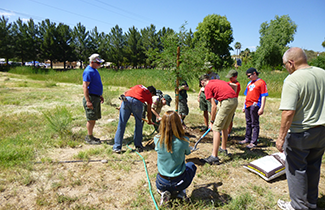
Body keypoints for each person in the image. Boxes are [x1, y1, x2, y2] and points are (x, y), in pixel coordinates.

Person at [276, 47, 325, 210]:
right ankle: (311, 203)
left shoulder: (293, 79)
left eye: (285, 65)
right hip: (322, 131)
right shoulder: (322, 73)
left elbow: (288, 112)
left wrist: (281, 138)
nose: (286, 68)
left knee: (296, 171)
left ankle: (298, 206)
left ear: (291, 62)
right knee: (313, 167)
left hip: (300, 133)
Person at [154, 111, 197, 206]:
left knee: (161, 178)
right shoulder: (184, 141)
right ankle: (182, 192)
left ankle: (163, 192)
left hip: (162, 181)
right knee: (191, 165)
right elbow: (188, 153)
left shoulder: (157, 139)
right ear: (178, 124)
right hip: (179, 181)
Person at [200, 74, 238, 165]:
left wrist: (212, 121)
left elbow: (213, 106)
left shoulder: (207, 87)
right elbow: (234, 85)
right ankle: (223, 148)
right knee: (224, 126)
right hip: (234, 100)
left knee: (216, 128)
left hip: (226, 102)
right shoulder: (216, 81)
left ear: (202, 82)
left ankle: (214, 157)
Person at [113, 85, 156, 153]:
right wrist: (150, 121)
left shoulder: (138, 86)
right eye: (153, 95)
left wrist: (121, 105)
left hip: (126, 100)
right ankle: (138, 146)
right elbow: (149, 111)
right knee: (139, 124)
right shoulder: (148, 94)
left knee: (121, 124)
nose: (152, 97)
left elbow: (125, 93)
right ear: (152, 93)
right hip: (137, 102)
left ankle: (117, 147)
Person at [239, 68, 268, 149]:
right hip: (248, 105)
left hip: (255, 105)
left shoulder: (261, 82)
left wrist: (262, 107)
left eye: (249, 76)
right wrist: (244, 106)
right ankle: (247, 138)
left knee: (254, 123)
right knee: (248, 122)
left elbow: (263, 96)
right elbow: (246, 95)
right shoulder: (249, 83)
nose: (248, 78)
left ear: (254, 73)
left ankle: (253, 141)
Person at [82, 53, 105, 145]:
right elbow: (85, 86)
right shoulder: (88, 71)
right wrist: (88, 101)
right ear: (92, 62)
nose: (99, 65)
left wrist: (99, 95)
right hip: (91, 98)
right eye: (98, 63)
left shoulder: (94, 70)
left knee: (94, 118)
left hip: (95, 97)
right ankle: (89, 137)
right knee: (90, 119)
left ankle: (91, 135)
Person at [225, 69, 241, 136]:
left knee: (230, 118)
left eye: (231, 78)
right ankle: (224, 130)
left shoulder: (237, 84)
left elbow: (235, 90)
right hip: (227, 101)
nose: (230, 79)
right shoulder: (229, 82)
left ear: (235, 77)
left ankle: (228, 132)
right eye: (229, 78)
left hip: (233, 102)